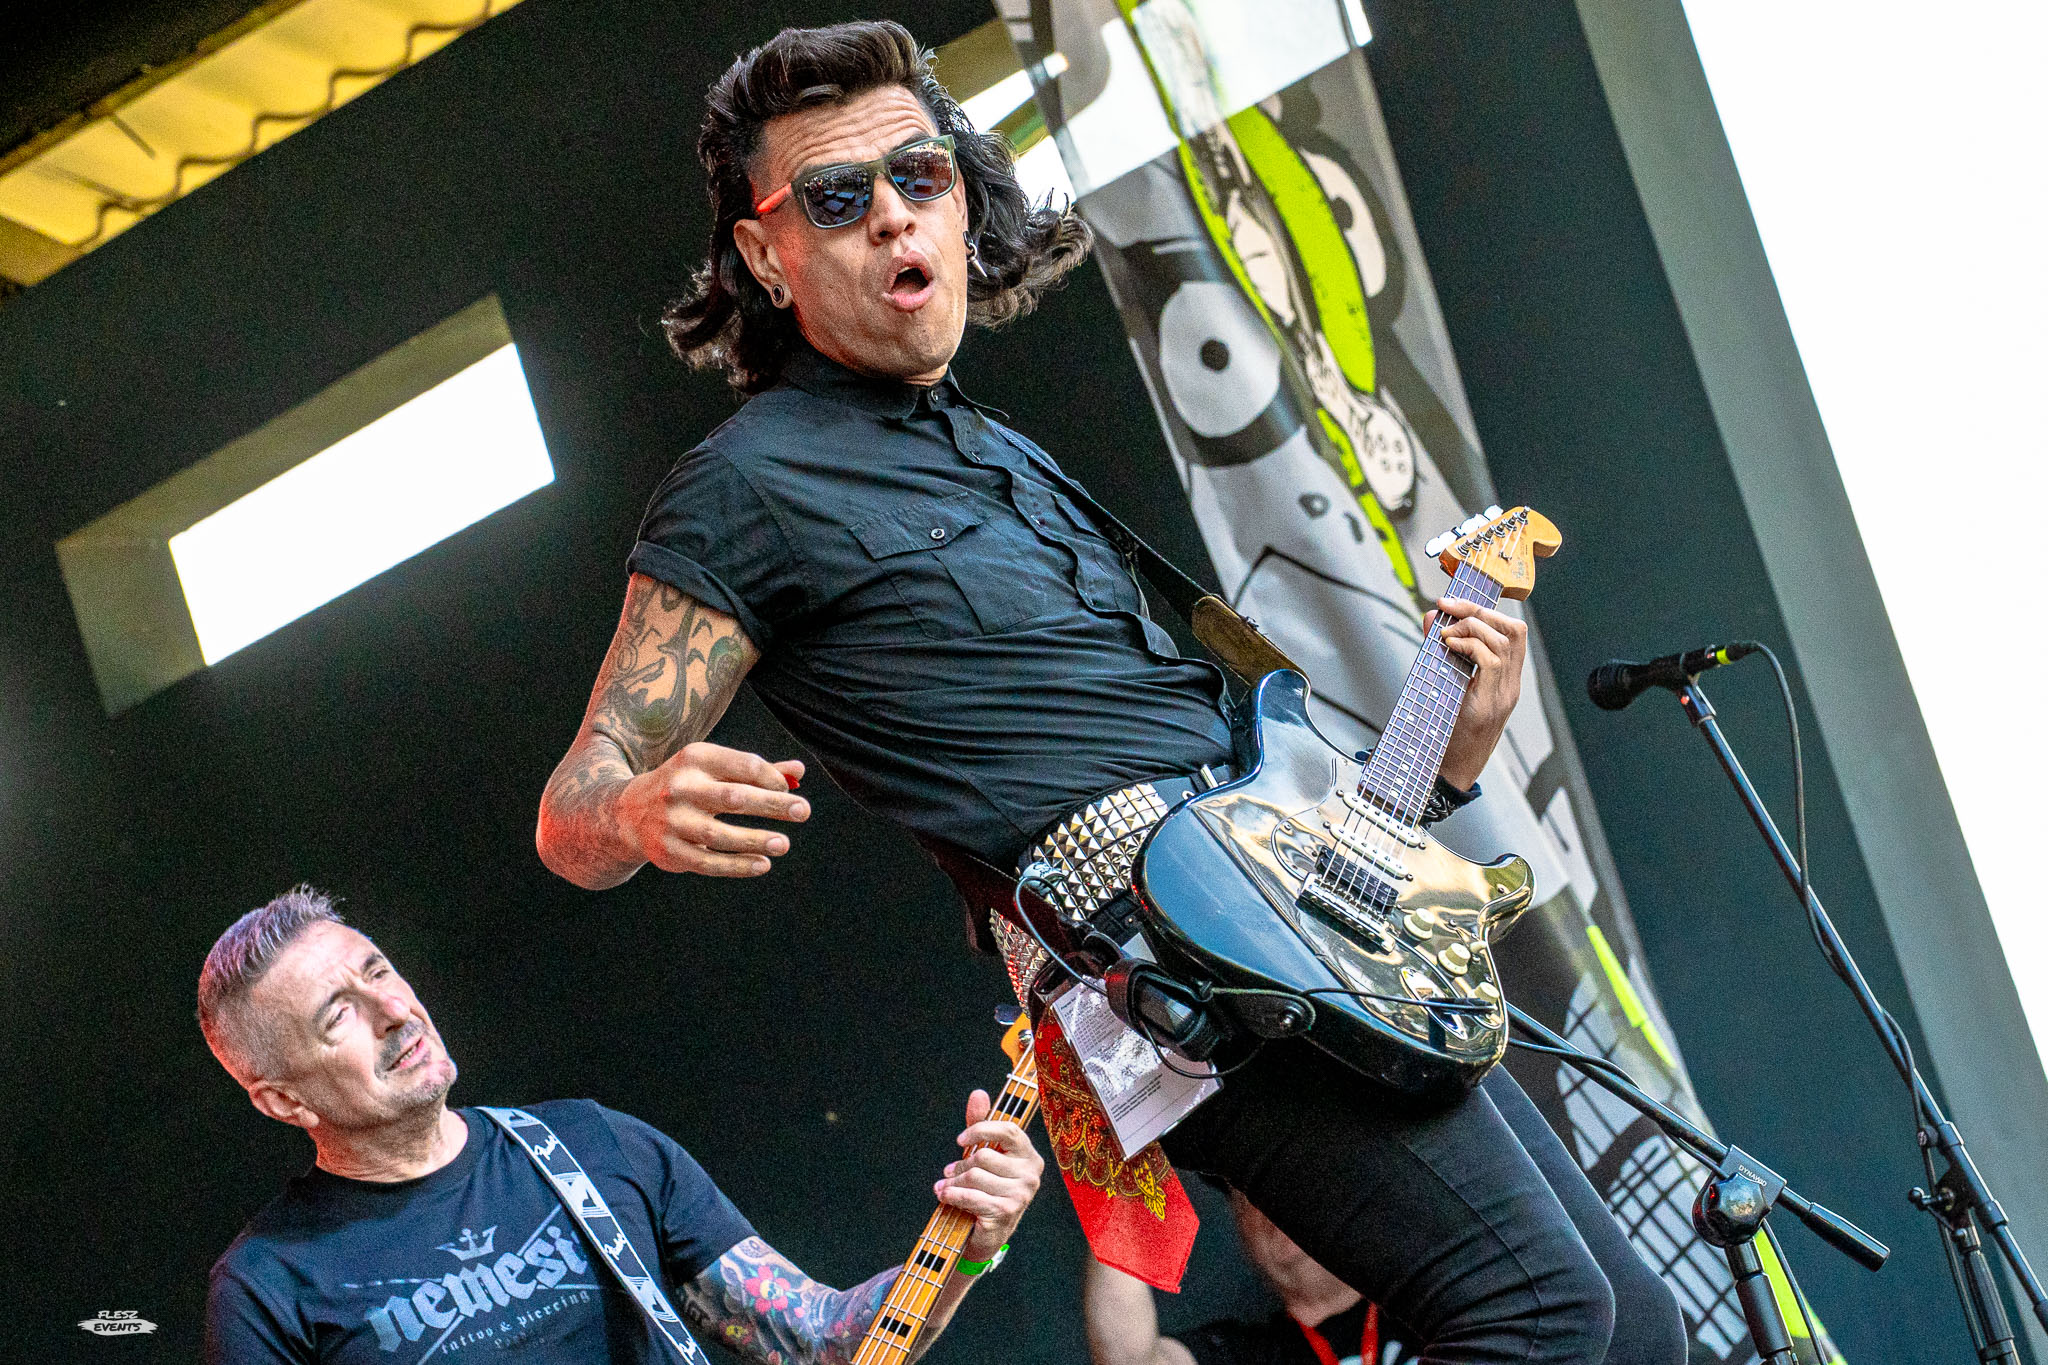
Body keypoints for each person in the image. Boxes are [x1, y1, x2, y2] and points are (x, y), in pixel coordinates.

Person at [535, 19, 1685, 1364]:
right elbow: (573, 807)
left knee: (1632, 1330)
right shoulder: (745, 488)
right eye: (837, 199)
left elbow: (1224, 752)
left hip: (1297, 908)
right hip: (1170, 956)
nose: (893, 215)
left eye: (920, 175)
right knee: (1539, 1314)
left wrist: (1446, 757)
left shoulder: (1003, 453)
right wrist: (635, 809)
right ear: (763, 254)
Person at [198, 886, 1042, 1363]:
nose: (394, 1008)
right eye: (337, 1013)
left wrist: (970, 1243)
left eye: (378, 969)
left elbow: (817, 1337)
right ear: (283, 1099)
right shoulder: (269, 1285)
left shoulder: (589, 1145)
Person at [1083, 1190, 1418, 1365]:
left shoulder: (1425, 1300)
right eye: (1247, 1192)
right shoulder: (1245, 1353)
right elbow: (1129, 1361)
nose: (1271, 1201)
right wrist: (1117, 1174)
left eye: (1287, 1180)